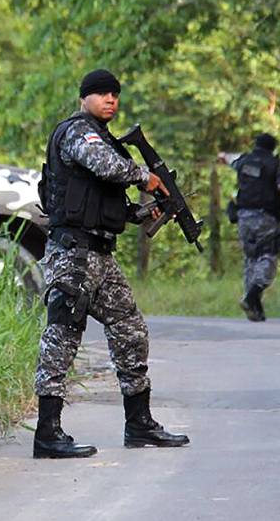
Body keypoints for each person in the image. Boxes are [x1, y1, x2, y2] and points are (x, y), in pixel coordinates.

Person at [33, 68, 189, 459]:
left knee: (131, 329)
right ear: (85, 97)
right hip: (73, 254)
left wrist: (145, 214)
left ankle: (139, 424)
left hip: (99, 255)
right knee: (63, 337)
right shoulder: (77, 132)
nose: (111, 100)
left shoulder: (107, 141)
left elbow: (110, 204)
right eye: (102, 93)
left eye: (115, 94)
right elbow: (104, 166)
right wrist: (146, 177)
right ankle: (47, 433)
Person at [219, 133, 280, 322]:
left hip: (243, 217)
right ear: (273, 148)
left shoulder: (244, 160)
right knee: (268, 256)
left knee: (251, 258)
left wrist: (221, 156)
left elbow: (225, 157)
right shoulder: (276, 165)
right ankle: (252, 295)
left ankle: (254, 308)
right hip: (266, 217)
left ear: (255, 145)